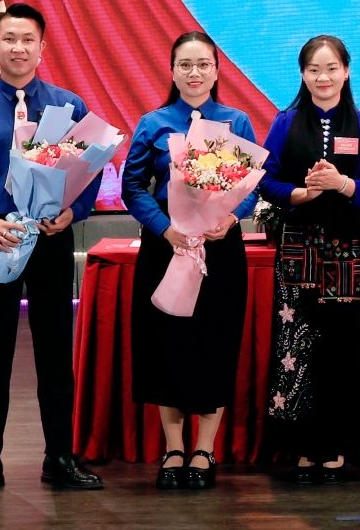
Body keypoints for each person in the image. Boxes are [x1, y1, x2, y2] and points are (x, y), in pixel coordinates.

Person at [0, 3, 103, 497]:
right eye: (9, 39)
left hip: (51, 244)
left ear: (42, 46)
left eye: (28, 39)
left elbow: (90, 173)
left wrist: (73, 213)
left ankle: (60, 457)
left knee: (55, 356)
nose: (19, 48)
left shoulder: (68, 107)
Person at [121, 30, 257, 490]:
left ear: (217, 71)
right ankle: (174, 447)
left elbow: (253, 184)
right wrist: (165, 227)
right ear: (172, 71)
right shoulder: (153, 123)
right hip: (167, 247)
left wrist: (231, 218)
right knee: (168, 346)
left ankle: (205, 448)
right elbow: (133, 187)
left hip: (219, 249)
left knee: (214, 344)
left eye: (203, 64)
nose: (194, 73)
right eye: (185, 64)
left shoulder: (236, 121)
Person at [256, 35, 360, 484]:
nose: (323, 77)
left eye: (331, 68)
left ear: (346, 72)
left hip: (347, 250)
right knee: (296, 345)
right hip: (298, 248)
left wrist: (342, 185)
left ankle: (338, 445)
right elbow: (264, 179)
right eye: (314, 69)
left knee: (342, 346)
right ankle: (301, 446)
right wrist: (300, 193)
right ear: (303, 75)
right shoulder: (285, 122)